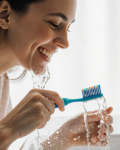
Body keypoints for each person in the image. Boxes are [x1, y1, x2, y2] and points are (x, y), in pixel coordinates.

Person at [0, 0, 113, 149]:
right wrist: (6, 130)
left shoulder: (3, 80)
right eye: (54, 23)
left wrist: (65, 137)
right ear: (5, 15)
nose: (65, 43)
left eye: (68, 28)